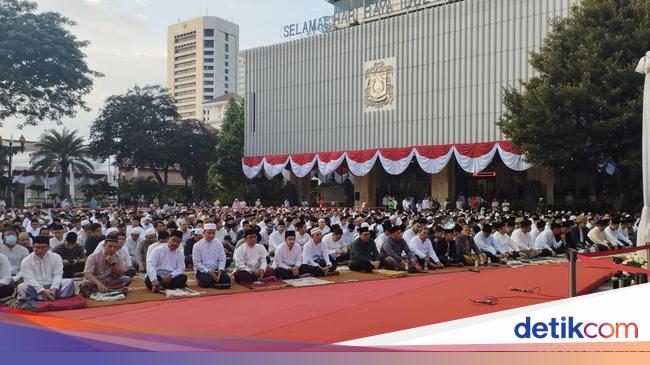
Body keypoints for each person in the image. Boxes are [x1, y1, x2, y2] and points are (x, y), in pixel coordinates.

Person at [17, 236, 76, 301]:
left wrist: (54, 289)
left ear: (48, 248)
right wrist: (43, 291)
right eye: (37, 247)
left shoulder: (56, 257)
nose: (40, 250)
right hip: (35, 287)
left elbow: (58, 274)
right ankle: (52, 297)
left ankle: (44, 297)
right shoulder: (26, 261)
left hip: (52, 285)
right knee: (21, 287)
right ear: (33, 247)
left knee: (70, 282)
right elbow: (29, 279)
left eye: (43, 247)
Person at [192, 223, 231, 289]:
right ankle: (201, 279)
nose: (211, 235)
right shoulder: (197, 245)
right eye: (209, 233)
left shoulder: (218, 243)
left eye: (213, 233)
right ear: (204, 233)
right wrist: (208, 272)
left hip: (216, 269)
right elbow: (197, 263)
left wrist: (220, 269)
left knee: (227, 280)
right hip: (203, 270)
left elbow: (222, 258)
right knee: (206, 282)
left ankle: (214, 280)